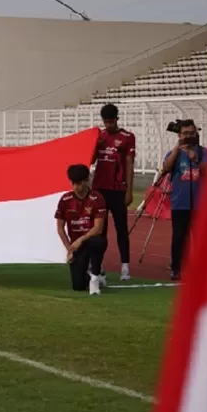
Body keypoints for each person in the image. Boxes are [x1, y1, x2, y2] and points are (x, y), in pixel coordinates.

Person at [91, 103, 135, 282]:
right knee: (100, 230)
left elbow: (130, 164)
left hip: (118, 189)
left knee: (121, 229)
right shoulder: (99, 136)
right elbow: (91, 160)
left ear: (117, 119)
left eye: (111, 121)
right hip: (100, 189)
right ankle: (99, 266)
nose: (108, 125)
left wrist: (129, 191)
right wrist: (96, 145)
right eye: (105, 122)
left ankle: (125, 267)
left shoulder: (127, 137)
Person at [161, 121, 207, 281]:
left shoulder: (202, 152)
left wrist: (195, 160)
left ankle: (202, 267)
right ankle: (176, 267)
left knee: (201, 237)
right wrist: (177, 149)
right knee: (179, 237)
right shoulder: (174, 153)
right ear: (180, 135)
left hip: (200, 203)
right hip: (180, 202)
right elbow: (166, 167)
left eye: (191, 133)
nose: (188, 136)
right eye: (185, 133)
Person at [55, 164, 108, 295]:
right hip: (77, 247)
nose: (75, 187)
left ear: (86, 181)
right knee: (78, 286)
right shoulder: (65, 200)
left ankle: (95, 276)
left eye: (79, 183)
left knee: (98, 241)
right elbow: (60, 228)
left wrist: (81, 239)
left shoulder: (97, 198)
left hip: (90, 239)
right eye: (73, 183)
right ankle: (90, 274)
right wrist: (70, 249)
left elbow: (98, 228)